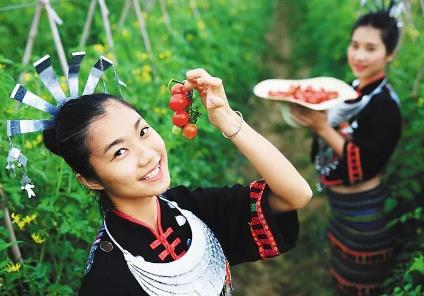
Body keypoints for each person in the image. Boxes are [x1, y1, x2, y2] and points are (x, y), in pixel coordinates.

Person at [40, 68, 312, 295]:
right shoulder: (106, 279)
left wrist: (227, 120)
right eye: (119, 151)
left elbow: (296, 195)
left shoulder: (191, 209)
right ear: (90, 179)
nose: (147, 155)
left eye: (143, 132)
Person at [290, 10, 402, 295]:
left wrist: (323, 128)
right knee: (343, 275)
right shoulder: (350, 91)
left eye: (371, 48)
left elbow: (366, 163)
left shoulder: (385, 106)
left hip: (365, 213)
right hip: (340, 209)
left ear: (390, 53)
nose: (359, 56)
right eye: (355, 45)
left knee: (363, 283)